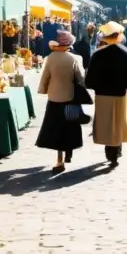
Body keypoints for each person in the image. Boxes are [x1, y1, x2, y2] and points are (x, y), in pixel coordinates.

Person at [36, 30, 86, 174]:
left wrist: (44, 90)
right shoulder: (75, 59)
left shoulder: (50, 58)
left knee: (56, 129)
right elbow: (81, 79)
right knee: (69, 127)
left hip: (54, 98)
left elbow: (45, 77)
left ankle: (59, 160)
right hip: (69, 98)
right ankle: (68, 151)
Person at [85, 21, 127, 167]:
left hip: (102, 94)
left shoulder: (98, 54)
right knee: (118, 123)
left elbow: (90, 78)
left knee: (106, 124)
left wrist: (95, 87)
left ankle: (110, 151)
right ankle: (116, 150)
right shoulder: (126, 53)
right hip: (120, 93)